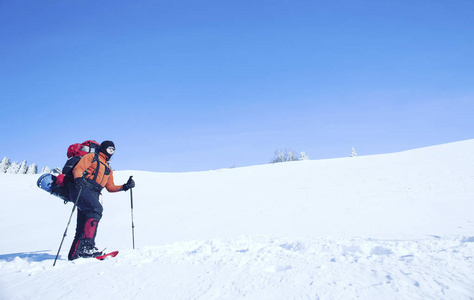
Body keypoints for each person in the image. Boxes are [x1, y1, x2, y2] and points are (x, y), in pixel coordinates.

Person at [67, 140, 135, 260]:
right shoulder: (92, 157)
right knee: (96, 209)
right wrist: (78, 179)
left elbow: (110, 187)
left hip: (95, 193)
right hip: (83, 187)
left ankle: (74, 255)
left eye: (113, 150)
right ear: (103, 148)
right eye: (109, 149)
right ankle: (87, 248)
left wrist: (125, 187)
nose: (111, 152)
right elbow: (78, 168)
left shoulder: (108, 169)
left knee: (83, 224)